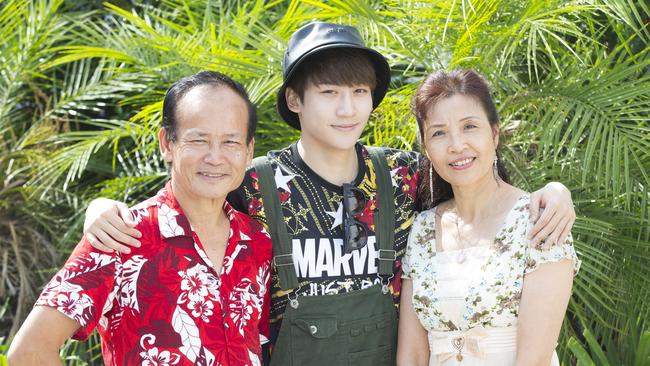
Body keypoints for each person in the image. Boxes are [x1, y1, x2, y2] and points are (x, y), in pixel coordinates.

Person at [79, 23, 576, 365]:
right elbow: (181, 201)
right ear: (294, 99)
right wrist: (101, 208)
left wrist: (555, 192)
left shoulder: (404, 175)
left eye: (360, 92)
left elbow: (473, 175)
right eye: (329, 92)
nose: (347, 109)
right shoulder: (250, 183)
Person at [7, 71, 272, 366]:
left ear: (249, 151)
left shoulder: (257, 242)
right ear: (167, 144)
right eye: (198, 140)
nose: (214, 157)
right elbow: (29, 351)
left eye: (230, 143)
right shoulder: (120, 236)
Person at [397, 69, 580, 365]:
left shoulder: (538, 221)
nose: (456, 145)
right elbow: (412, 355)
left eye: (469, 126)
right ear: (427, 149)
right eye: (439, 133)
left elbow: (533, 359)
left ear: (494, 133)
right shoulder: (421, 229)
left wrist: (559, 189)